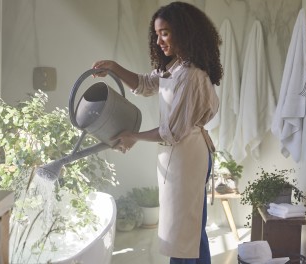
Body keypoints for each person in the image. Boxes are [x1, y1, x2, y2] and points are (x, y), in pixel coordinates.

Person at [92, 2, 222, 263]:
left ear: (184, 31)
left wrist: (134, 135)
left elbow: (172, 131)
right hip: (181, 154)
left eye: (165, 32)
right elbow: (145, 84)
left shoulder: (190, 75)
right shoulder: (174, 68)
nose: (160, 40)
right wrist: (114, 67)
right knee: (188, 232)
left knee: (183, 235)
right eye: (157, 34)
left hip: (187, 155)